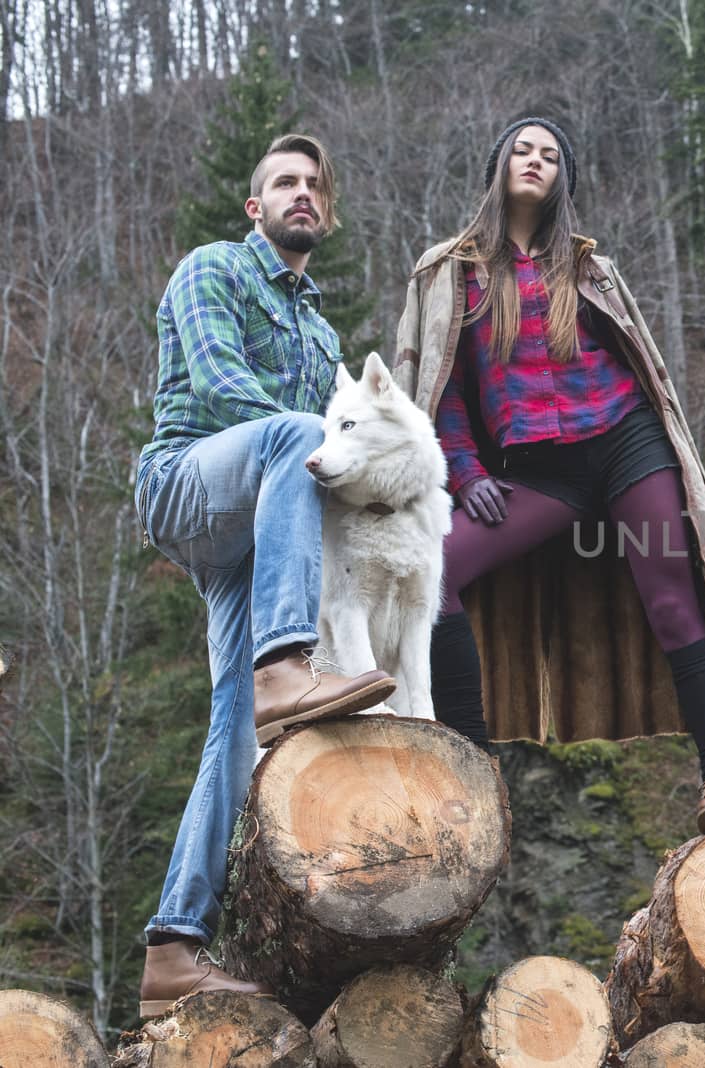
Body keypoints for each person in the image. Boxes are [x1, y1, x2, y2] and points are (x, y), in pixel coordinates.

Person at [390, 117, 705, 833]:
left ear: (561, 177)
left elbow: (642, 368)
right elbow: (441, 390)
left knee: (669, 596)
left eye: (550, 155)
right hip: (541, 471)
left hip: (627, 443)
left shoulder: (588, 266)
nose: (535, 161)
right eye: (523, 150)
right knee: (429, 571)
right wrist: (467, 470)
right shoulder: (450, 270)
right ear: (499, 164)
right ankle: (476, 771)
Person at [134, 134, 396, 1015]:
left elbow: (331, 464)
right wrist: (327, 454)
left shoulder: (322, 334)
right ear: (257, 207)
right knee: (292, 435)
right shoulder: (214, 269)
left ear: (327, 211)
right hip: (186, 484)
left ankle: (172, 946)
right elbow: (216, 389)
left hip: (254, 541)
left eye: (316, 185)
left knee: (233, 733)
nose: (302, 194)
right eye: (285, 182)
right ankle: (285, 664)